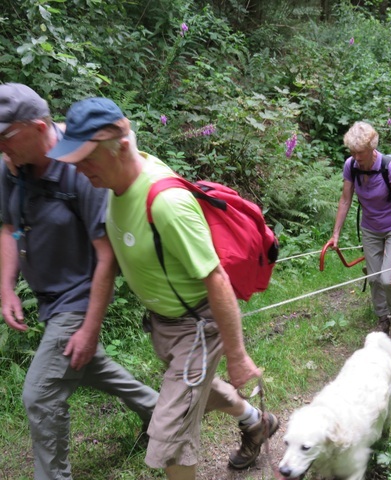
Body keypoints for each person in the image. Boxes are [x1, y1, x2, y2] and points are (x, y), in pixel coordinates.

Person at [48, 97, 278, 480]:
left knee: (168, 434)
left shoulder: (166, 202)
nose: (79, 169)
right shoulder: (111, 183)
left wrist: (237, 355)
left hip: (197, 328)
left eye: (87, 158)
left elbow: (216, 277)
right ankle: (256, 422)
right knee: (192, 392)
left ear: (121, 147)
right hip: (164, 324)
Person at [0, 84, 158, 480]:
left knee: (39, 394)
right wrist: (6, 287)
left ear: (38, 127)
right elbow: (7, 227)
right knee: (89, 366)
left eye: (6, 135)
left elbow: (107, 257)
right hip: (48, 300)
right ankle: (160, 416)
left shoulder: (81, 167)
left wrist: (89, 326)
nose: (2, 146)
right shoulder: (9, 168)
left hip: (79, 298)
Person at [329, 121, 391, 345]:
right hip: (370, 229)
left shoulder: (389, 166)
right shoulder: (351, 165)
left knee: (388, 277)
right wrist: (335, 234)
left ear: (372, 148)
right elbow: (345, 200)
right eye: (352, 152)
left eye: (360, 152)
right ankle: (382, 318)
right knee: (373, 278)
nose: (356, 157)